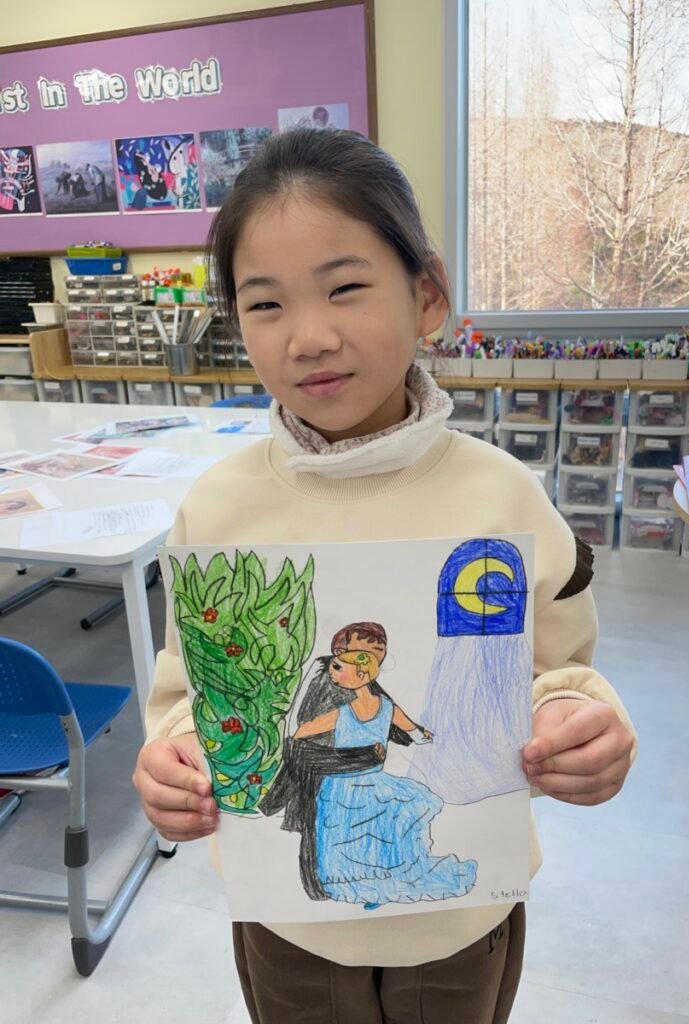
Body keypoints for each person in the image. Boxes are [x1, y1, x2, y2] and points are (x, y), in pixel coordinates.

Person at [133, 127, 637, 1024]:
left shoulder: (503, 498)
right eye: (266, 304)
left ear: (427, 294)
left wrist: (580, 725)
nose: (310, 337)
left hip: (460, 919)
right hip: (291, 919)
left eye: (346, 288)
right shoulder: (216, 511)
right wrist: (174, 756)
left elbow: (560, 671)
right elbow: (189, 692)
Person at [263, 621, 474, 911]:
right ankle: (357, 887)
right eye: (367, 650)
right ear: (341, 651)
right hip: (334, 777)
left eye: (379, 652)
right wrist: (366, 753)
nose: (376, 656)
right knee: (357, 839)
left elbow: (402, 728)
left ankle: (368, 886)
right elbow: (301, 737)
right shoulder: (329, 686)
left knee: (359, 839)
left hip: (346, 787)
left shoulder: (359, 702)